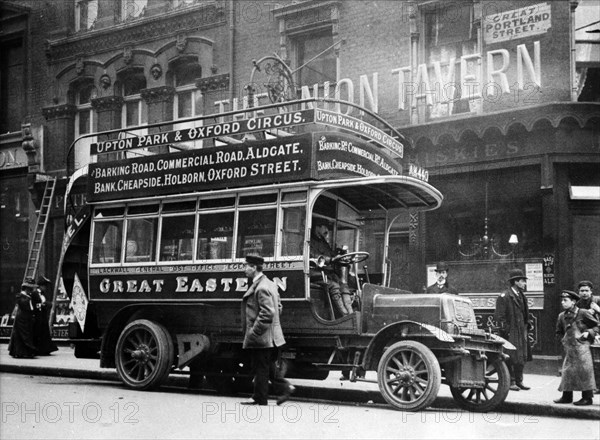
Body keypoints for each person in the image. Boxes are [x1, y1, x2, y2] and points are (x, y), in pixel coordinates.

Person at [240, 254, 294, 406]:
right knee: (264, 366)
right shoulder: (270, 284)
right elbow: (279, 308)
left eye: (246, 266)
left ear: (254, 268)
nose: (244, 269)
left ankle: (263, 397)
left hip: (262, 336)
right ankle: (281, 389)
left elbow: (268, 312)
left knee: (261, 367)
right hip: (271, 335)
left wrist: (255, 331)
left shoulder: (261, 287)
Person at [554, 290, 598, 406]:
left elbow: (597, 325)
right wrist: (563, 340)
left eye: (565, 300)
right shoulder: (561, 316)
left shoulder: (582, 313)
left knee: (585, 372)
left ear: (573, 302)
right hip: (569, 349)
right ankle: (567, 397)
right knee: (567, 372)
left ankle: (587, 398)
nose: (562, 303)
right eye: (562, 300)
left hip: (582, 347)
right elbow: (558, 331)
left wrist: (589, 333)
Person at [494, 268, 532, 391]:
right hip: (511, 333)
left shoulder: (522, 296)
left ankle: (519, 381)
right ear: (516, 282)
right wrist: (506, 331)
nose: (524, 284)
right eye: (522, 281)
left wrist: (527, 325)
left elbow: (525, 314)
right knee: (511, 357)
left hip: (521, 331)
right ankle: (511, 381)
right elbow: (499, 317)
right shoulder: (505, 296)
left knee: (521, 357)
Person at [310, 218, 353, 316]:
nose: (326, 230)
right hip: (315, 274)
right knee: (334, 286)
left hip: (326, 274)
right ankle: (344, 314)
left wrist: (340, 253)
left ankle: (350, 312)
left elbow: (330, 254)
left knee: (343, 284)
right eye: (325, 227)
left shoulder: (323, 242)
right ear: (318, 227)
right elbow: (313, 256)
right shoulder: (309, 241)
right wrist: (331, 259)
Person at [8, 278, 41, 358]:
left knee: (27, 334)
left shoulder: (28, 296)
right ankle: (21, 352)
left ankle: (26, 352)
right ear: (26, 288)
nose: (31, 290)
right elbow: (23, 304)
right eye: (30, 289)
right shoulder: (20, 296)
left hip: (27, 318)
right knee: (22, 335)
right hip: (22, 318)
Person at [34, 276, 58, 355]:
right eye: (44, 286)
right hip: (38, 317)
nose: (45, 288)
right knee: (39, 333)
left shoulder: (43, 294)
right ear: (40, 286)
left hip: (43, 317)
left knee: (44, 333)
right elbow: (37, 305)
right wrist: (45, 304)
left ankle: (45, 349)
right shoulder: (35, 294)